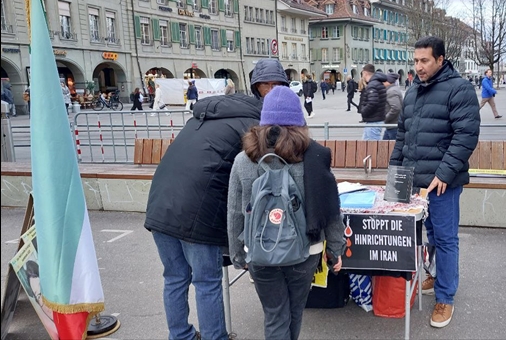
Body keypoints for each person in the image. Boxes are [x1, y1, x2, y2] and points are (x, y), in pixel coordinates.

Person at [144, 75, 263, 340]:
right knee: (207, 282)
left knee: (175, 277)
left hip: (159, 204)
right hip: (197, 211)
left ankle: (181, 336)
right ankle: (215, 337)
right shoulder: (252, 126)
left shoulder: (200, 118)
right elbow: (256, 177)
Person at [227, 85, 345, 340]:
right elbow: (331, 208)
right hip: (305, 252)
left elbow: (235, 211)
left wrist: (238, 253)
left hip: (259, 251)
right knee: (295, 309)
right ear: (299, 122)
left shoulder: (242, 160)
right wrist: (336, 249)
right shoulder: (315, 155)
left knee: (274, 314)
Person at [389, 36, 480, 329]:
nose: (419, 66)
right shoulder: (413, 90)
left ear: (441, 60)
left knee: (445, 238)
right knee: (427, 237)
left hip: (442, 184)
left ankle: (445, 298)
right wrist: (395, 175)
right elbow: (402, 136)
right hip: (415, 182)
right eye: (415, 61)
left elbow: (465, 136)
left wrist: (444, 174)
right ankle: (435, 275)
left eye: (424, 60)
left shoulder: (460, 89)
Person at [359, 64, 387, 140]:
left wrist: (363, 111)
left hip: (373, 121)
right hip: (375, 120)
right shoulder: (378, 83)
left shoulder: (372, 85)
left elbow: (372, 102)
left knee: (373, 147)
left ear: (365, 73)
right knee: (366, 145)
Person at [382, 72, 403, 141]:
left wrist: (386, 118)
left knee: (390, 147)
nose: (382, 83)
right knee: (384, 147)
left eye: (384, 81)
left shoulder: (392, 91)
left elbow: (396, 108)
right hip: (391, 126)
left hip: (393, 125)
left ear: (389, 82)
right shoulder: (392, 90)